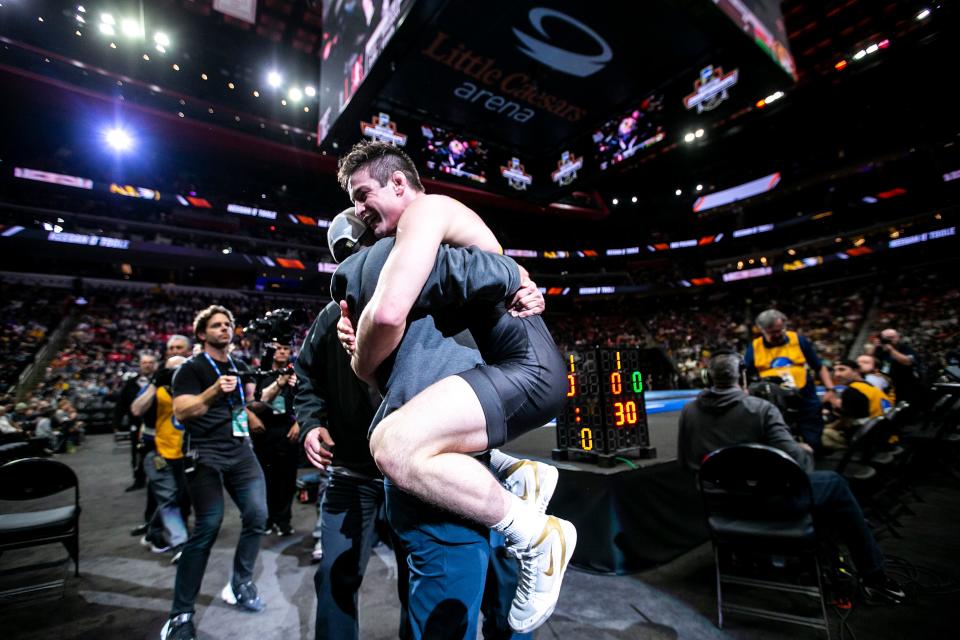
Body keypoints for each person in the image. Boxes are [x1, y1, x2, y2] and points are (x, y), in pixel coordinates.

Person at [334, 141, 573, 634]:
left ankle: (537, 537)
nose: (357, 211)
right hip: (513, 363)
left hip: (526, 367)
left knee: (393, 443)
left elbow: (387, 313)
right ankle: (514, 475)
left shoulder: (426, 209)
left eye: (363, 194)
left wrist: (360, 345)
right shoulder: (427, 238)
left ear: (399, 183)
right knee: (411, 432)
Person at [678, 351, 907, 605]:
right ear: (742, 376)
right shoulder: (761, 409)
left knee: (824, 487)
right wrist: (804, 451)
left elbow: (687, 463)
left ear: (708, 377)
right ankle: (873, 576)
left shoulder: (689, 412)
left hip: (720, 508)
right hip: (768, 504)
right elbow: (799, 466)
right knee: (834, 483)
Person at [160, 306, 268, 640]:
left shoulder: (239, 366)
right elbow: (182, 411)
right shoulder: (190, 369)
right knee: (208, 525)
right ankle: (180, 615)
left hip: (239, 450)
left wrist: (271, 395)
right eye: (216, 325)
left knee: (257, 515)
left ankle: (240, 583)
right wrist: (212, 391)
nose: (224, 329)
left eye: (228, 324)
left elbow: (246, 406)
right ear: (202, 333)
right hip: (204, 450)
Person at [745, 309, 836, 452]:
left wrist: (830, 389)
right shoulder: (754, 347)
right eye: (772, 332)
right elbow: (745, 375)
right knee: (782, 441)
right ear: (762, 330)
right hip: (776, 404)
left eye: (780, 330)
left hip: (806, 399)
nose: (778, 334)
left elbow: (818, 366)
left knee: (813, 439)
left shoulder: (798, 339)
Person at [131, 355, 189, 557]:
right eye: (171, 370)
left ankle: (152, 532)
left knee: (177, 497)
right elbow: (137, 409)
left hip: (182, 454)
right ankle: (180, 544)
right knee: (169, 498)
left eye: (181, 369)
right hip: (156, 453)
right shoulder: (156, 389)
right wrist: (156, 384)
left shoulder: (191, 389)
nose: (176, 374)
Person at [249, 342, 300, 536]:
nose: (281, 351)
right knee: (264, 478)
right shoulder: (260, 373)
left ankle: (283, 520)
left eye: (286, 348)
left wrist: (300, 423)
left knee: (287, 479)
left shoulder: (298, 373)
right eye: (278, 348)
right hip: (264, 430)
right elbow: (245, 402)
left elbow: (308, 399)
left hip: (287, 429)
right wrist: (250, 417)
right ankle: (267, 518)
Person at [118, 352, 159, 493]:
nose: (147, 365)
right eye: (144, 363)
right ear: (140, 365)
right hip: (137, 425)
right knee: (137, 453)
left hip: (157, 425)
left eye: (150, 362)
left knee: (158, 453)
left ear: (155, 364)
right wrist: (116, 423)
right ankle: (139, 479)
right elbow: (122, 403)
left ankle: (159, 478)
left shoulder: (161, 380)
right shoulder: (131, 383)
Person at [872, 328, 922, 405]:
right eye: (887, 338)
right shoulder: (881, 350)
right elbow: (870, 361)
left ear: (898, 337)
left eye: (892, 337)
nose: (890, 340)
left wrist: (891, 350)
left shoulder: (904, 348)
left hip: (911, 385)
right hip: (892, 387)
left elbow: (908, 362)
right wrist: (875, 347)